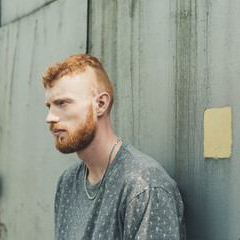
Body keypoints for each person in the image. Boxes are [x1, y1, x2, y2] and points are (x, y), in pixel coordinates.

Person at [42, 54, 186, 240]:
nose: (50, 118)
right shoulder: (67, 182)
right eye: (49, 106)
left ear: (100, 104)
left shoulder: (144, 185)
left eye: (62, 103)